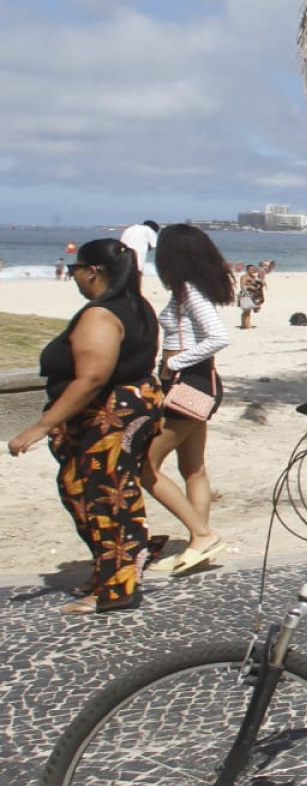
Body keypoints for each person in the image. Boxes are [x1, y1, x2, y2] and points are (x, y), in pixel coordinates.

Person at [7, 239, 163, 613]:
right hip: (129, 406)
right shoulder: (137, 307)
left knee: (103, 497)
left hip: (108, 414)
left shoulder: (101, 315)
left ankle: (117, 588)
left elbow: (92, 377)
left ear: (92, 271)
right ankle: (112, 571)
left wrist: (41, 426)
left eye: (76, 268)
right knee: (90, 491)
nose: (73, 274)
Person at [144, 225, 233, 577]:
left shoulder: (190, 293)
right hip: (198, 384)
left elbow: (218, 336)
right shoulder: (188, 291)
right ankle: (200, 546)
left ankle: (202, 533)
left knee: (143, 466)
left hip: (187, 385)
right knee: (192, 468)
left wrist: (173, 363)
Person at [237, 264, 265, 330]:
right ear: (247, 270)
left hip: (254, 295)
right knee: (246, 310)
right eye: (250, 269)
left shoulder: (254, 277)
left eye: (253, 269)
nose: (252, 271)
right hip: (245, 295)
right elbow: (242, 286)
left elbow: (259, 285)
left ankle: (247, 324)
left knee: (250, 310)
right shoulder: (244, 277)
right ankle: (245, 325)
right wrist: (249, 286)